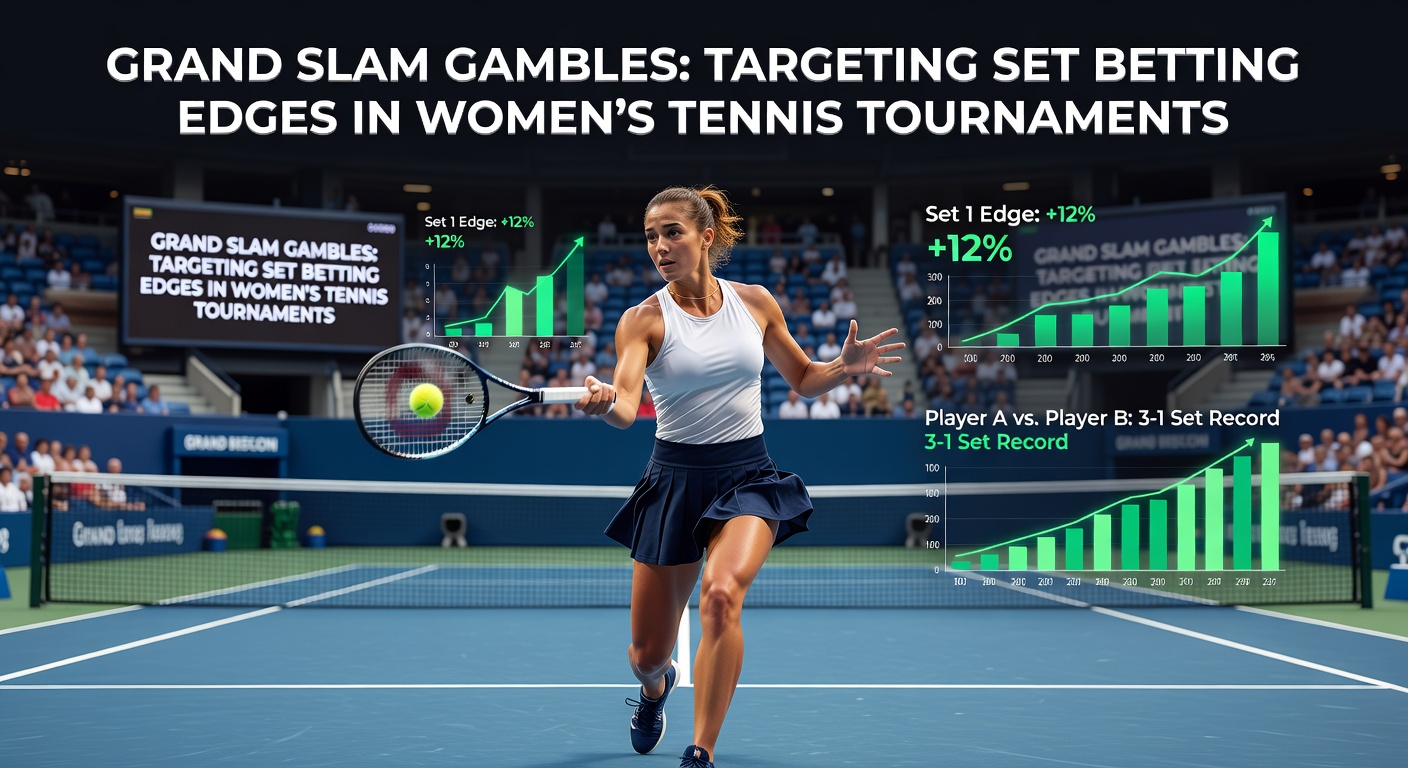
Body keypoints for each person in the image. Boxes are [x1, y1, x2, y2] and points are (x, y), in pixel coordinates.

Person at [572, 186, 902, 768]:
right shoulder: (642, 320)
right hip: (673, 480)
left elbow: (802, 378)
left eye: (671, 231)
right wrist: (604, 403)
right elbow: (626, 404)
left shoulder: (754, 302)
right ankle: (655, 689)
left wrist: (842, 369)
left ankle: (701, 750)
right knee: (645, 654)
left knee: (721, 597)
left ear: (705, 235)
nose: (659, 246)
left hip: (747, 477)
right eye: (651, 235)